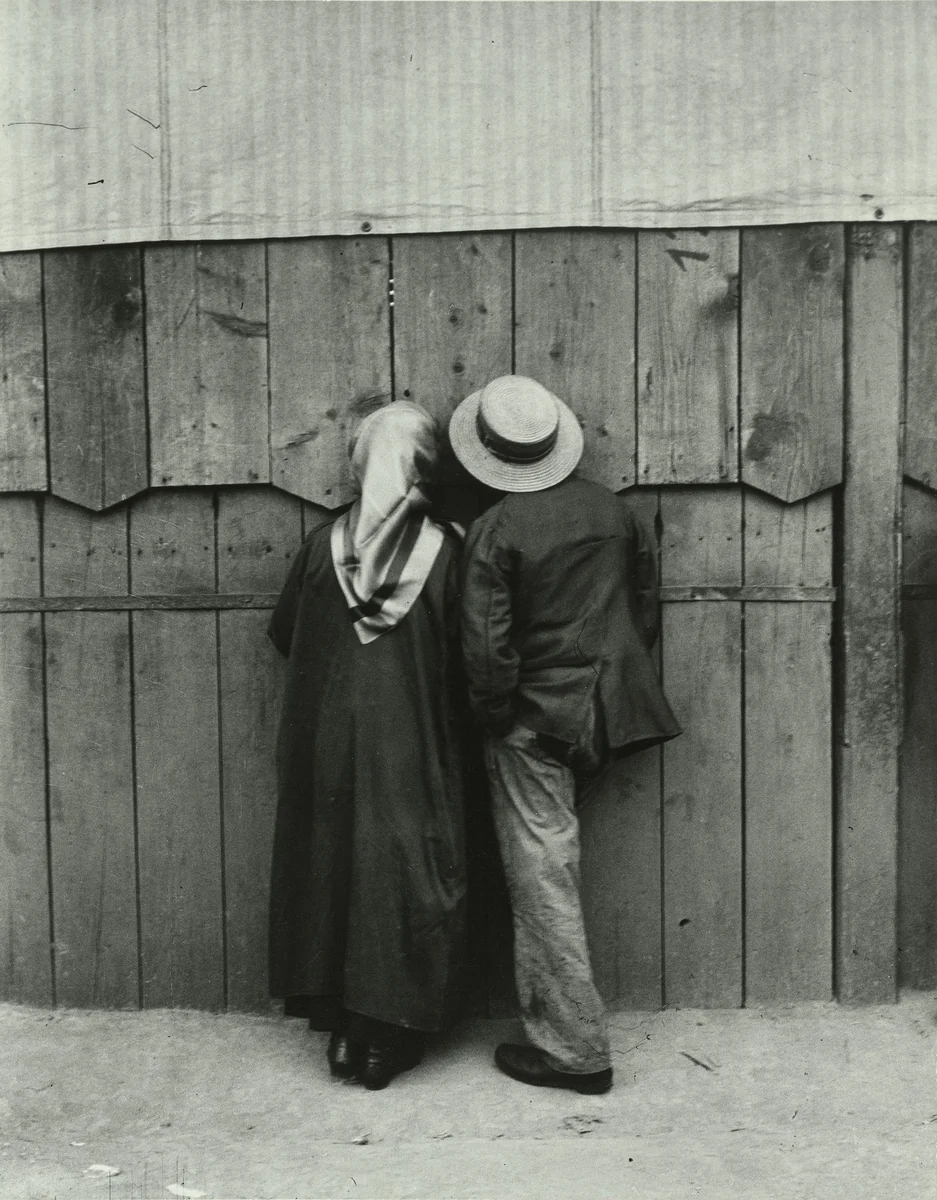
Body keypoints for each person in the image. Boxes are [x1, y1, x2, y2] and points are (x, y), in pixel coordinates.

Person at [450, 375, 681, 1095]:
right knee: (554, 863)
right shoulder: (612, 511)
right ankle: (565, 1033)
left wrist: (498, 720)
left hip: (537, 720)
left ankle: (575, 1052)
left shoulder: (497, 529)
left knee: (542, 875)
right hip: (609, 714)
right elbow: (644, 612)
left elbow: (483, 650)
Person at [267, 399, 467, 1090]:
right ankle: (385, 1036)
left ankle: (344, 1036)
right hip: (413, 742)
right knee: (404, 873)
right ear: (425, 464)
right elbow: (472, 658)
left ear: (358, 465)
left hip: (328, 743)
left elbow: (285, 636)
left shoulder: (320, 548)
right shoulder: (447, 551)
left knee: (333, 867)